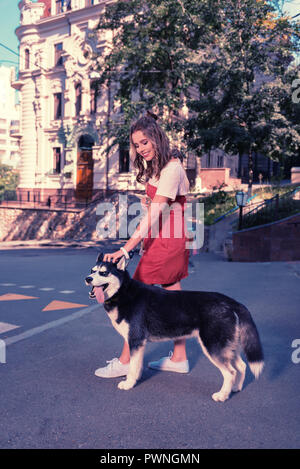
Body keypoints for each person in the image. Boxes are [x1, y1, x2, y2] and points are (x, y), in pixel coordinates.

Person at [95, 113, 190, 378]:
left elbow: (154, 214)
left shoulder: (171, 169)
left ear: (157, 138)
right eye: (136, 145)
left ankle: (126, 362)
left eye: (145, 142)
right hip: (164, 239)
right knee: (174, 298)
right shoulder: (163, 167)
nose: (141, 149)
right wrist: (140, 243)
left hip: (167, 241)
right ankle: (179, 357)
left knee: (133, 299)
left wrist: (126, 248)